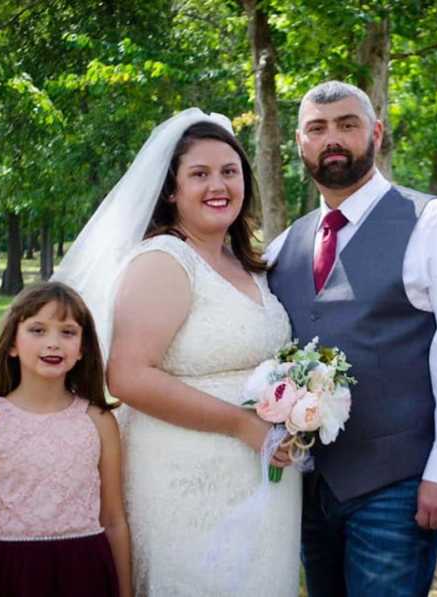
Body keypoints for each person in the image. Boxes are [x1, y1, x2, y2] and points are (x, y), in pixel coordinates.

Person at [265, 80, 437, 596]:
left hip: (399, 483)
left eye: (348, 124)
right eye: (318, 129)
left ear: (377, 133)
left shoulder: (434, 224)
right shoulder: (286, 245)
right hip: (309, 486)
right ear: (301, 144)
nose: (333, 139)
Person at [104, 115, 300, 596]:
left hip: (263, 485)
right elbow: (127, 376)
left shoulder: (248, 264)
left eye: (229, 172)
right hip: (185, 483)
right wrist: (242, 425)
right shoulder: (165, 261)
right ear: (171, 190)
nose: (218, 185)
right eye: (200, 174)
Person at [0, 282, 132, 597]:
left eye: (68, 332)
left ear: (83, 348)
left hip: (85, 571)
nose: (53, 343)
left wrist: (126, 592)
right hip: (12, 574)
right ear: (12, 344)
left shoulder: (99, 422)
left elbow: (114, 520)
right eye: (37, 330)